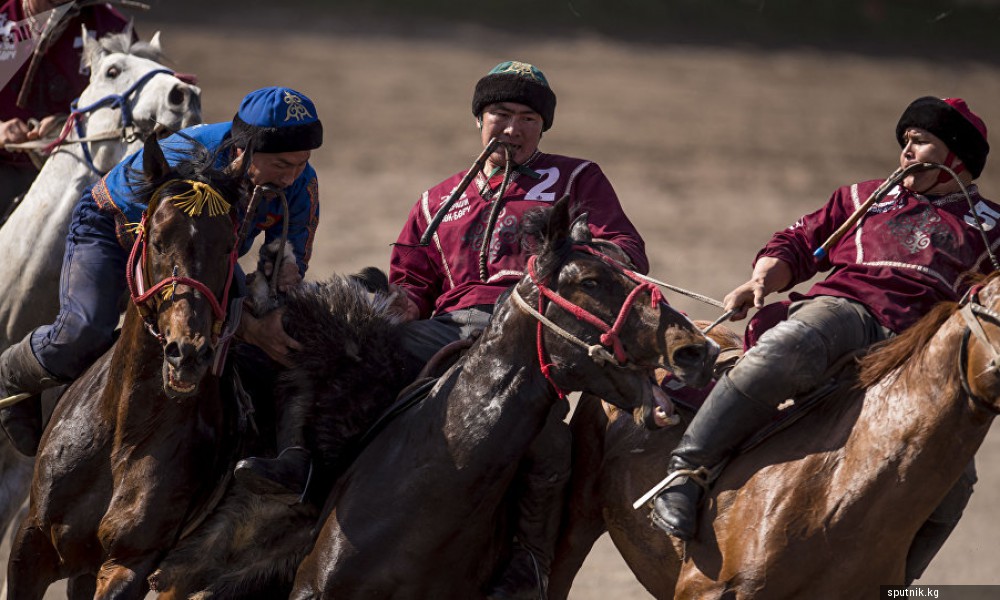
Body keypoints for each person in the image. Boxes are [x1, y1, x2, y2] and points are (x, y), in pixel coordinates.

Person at [650, 96, 993, 583]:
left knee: (956, 482)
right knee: (782, 351)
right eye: (905, 142)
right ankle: (686, 472)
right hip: (849, 309)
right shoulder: (863, 198)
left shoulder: (992, 228)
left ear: (955, 157)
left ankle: (898, 585)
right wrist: (764, 277)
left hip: (921, 349)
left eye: (921, 142)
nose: (907, 152)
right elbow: (798, 242)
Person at [396, 60, 648, 599]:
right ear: (478, 119)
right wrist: (389, 312)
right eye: (501, 113)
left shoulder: (577, 179)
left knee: (546, 440)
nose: (512, 128)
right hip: (449, 328)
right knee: (366, 369)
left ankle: (530, 566)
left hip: (535, 326)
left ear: (543, 127)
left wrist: (567, 254)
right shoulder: (436, 201)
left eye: (528, 118)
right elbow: (411, 285)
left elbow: (624, 251)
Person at [0, 85, 323, 459]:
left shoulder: (302, 184)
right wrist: (237, 316)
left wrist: (283, 273)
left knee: (240, 335)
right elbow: (168, 239)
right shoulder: (190, 153)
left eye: (302, 163)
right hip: (116, 229)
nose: (291, 177)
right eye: (282, 165)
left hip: (202, 252)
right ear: (242, 150)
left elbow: (291, 254)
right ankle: (13, 370)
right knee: (84, 333)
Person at [0, 0, 131, 213]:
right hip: (6, 166)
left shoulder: (109, 27)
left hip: (79, 175)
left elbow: (131, 113)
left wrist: (75, 123)